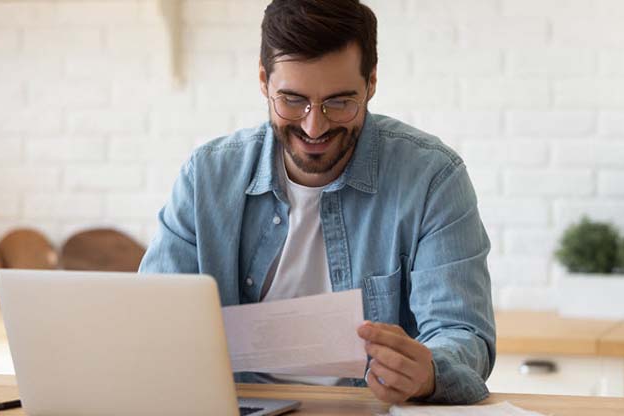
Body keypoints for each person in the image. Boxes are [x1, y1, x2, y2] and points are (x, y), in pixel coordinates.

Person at [139, 0, 495, 405]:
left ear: (371, 83)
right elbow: (154, 322)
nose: (314, 125)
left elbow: (464, 335)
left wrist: (429, 371)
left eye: (339, 102)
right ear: (263, 81)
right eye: (293, 100)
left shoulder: (432, 178)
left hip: (369, 410)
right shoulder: (206, 177)